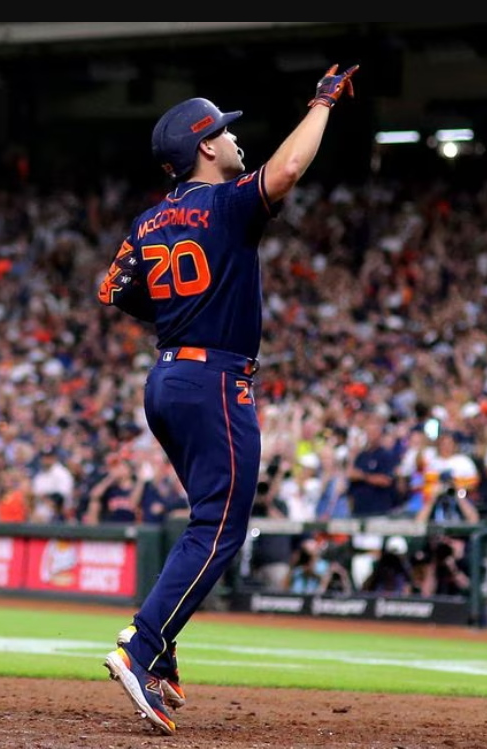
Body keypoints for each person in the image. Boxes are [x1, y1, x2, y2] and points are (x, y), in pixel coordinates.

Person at [96, 62, 360, 735]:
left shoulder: (151, 219)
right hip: (214, 378)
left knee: (203, 522)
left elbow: (114, 291)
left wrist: (181, 313)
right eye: (225, 132)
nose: (236, 141)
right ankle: (141, 644)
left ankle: (161, 650)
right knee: (220, 526)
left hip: (164, 380)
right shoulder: (225, 201)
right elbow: (288, 170)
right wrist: (322, 103)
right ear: (205, 146)